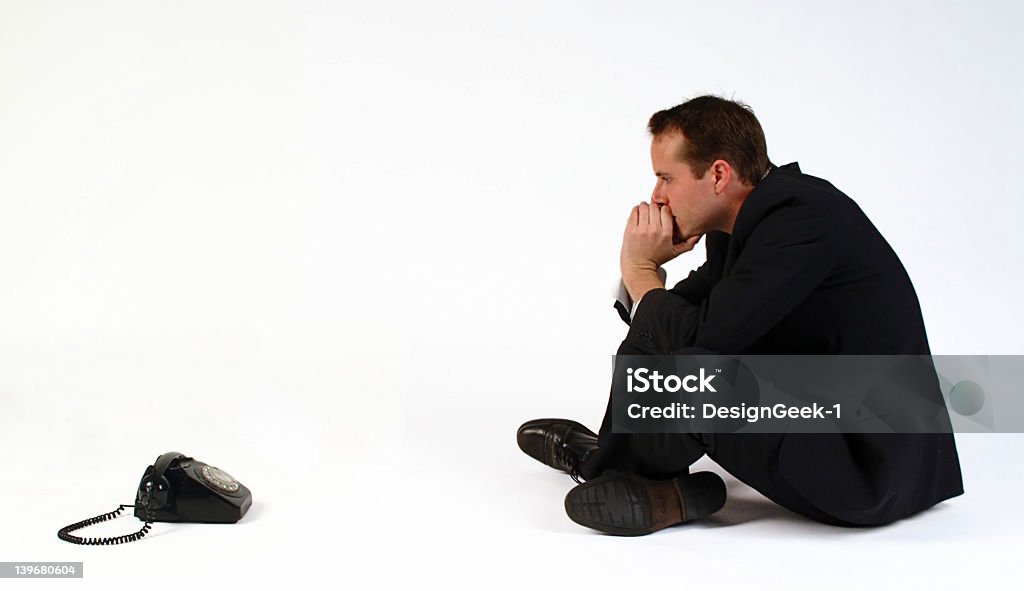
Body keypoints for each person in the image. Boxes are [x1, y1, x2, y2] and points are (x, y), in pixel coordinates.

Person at [517, 95, 964, 536]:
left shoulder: (803, 219)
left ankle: (613, 468)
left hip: (869, 469)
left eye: (666, 178)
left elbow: (704, 340)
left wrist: (641, 270)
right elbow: (677, 317)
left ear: (718, 174)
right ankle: (646, 481)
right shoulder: (750, 223)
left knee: (697, 369)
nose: (656, 195)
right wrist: (644, 278)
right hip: (828, 422)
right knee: (661, 332)